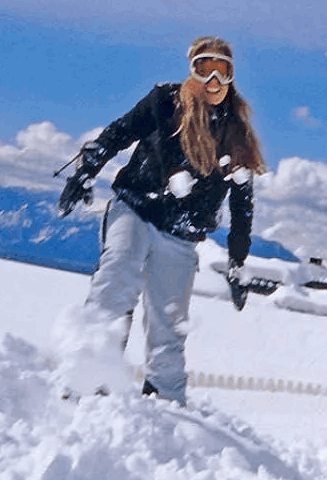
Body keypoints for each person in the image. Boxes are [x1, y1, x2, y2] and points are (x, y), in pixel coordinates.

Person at [56, 36, 266, 403]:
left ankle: (165, 402)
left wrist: (237, 262)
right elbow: (119, 132)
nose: (213, 81)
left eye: (223, 70)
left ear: (231, 77)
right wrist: (86, 171)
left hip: (182, 233)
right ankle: (88, 380)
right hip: (136, 206)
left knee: (169, 321)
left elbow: (242, 204)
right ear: (191, 71)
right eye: (204, 68)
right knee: (117, 275)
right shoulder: (165, 103)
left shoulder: (236, 134)